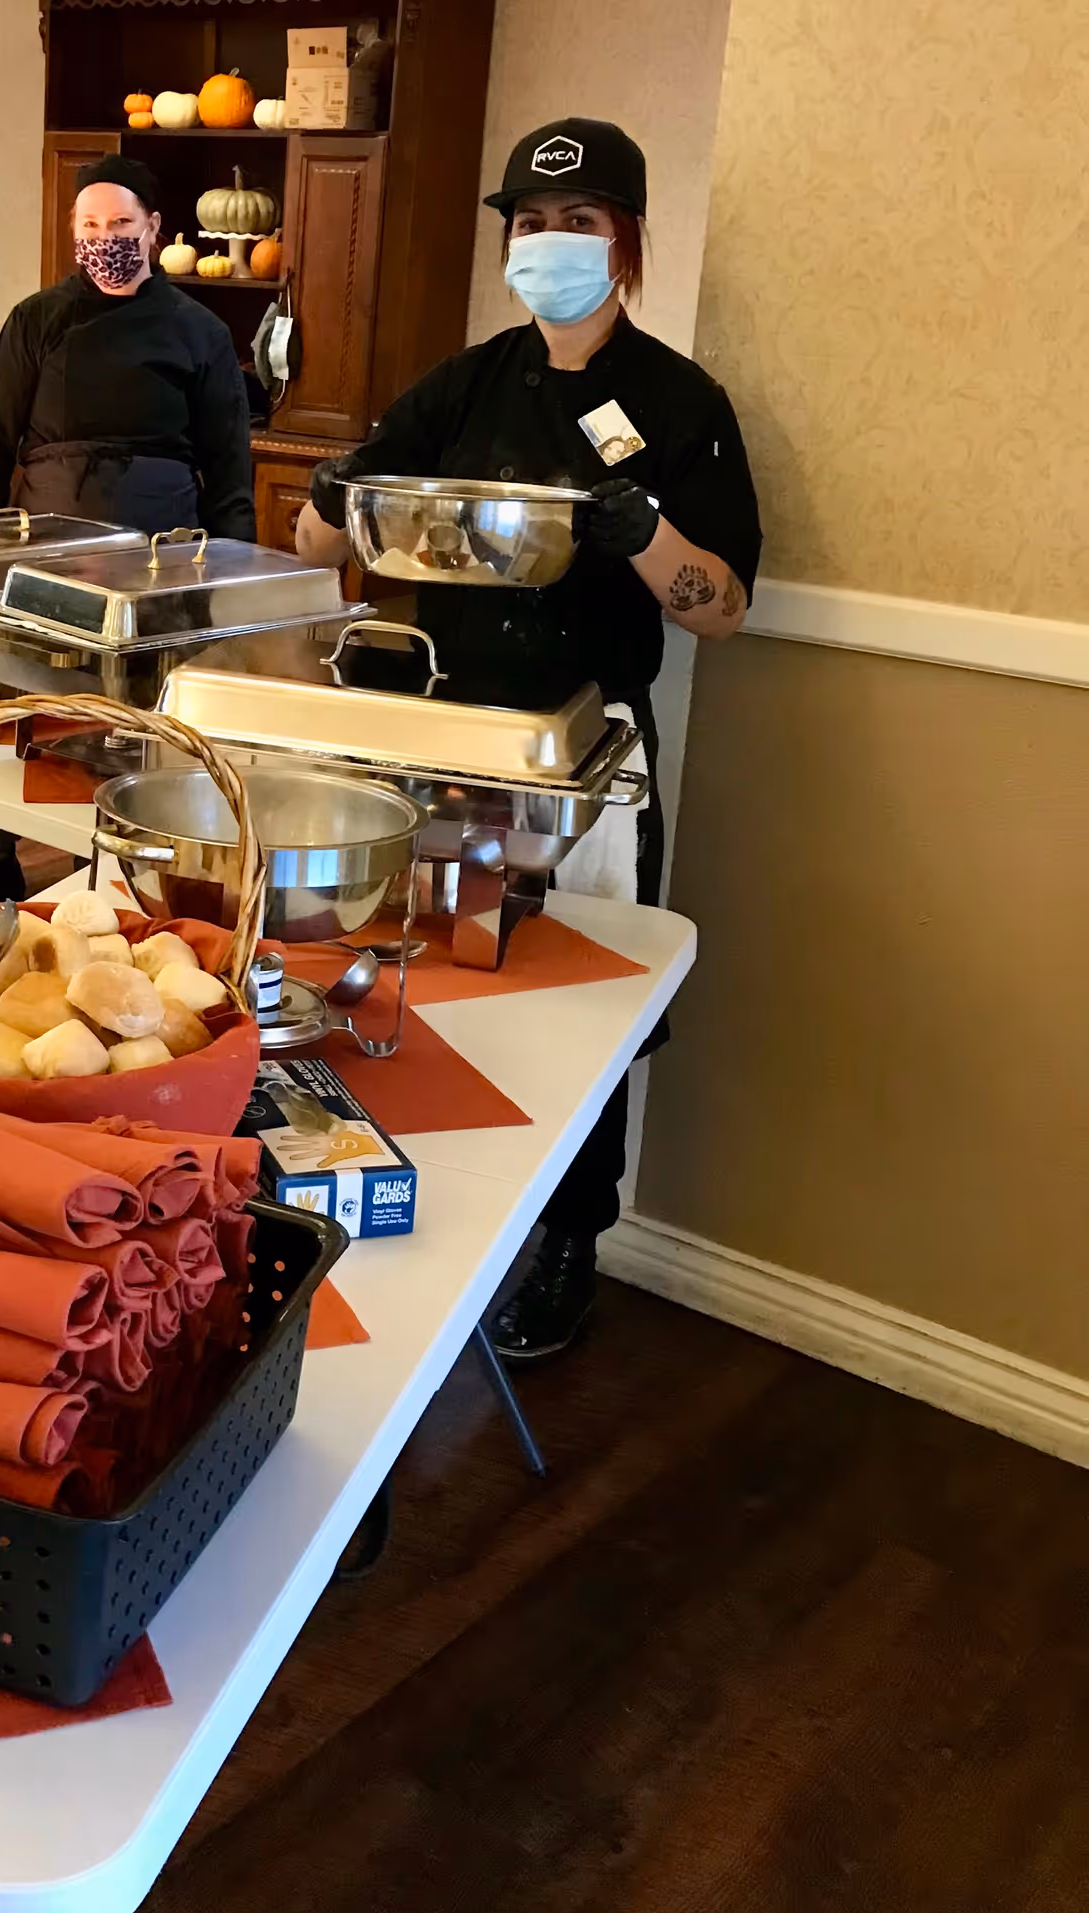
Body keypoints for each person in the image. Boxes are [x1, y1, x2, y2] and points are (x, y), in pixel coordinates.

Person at [296, 118, 761, 1362]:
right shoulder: (470, 383)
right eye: (532, 225)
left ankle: (569, 1239)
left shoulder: (680, 401)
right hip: (445, 729)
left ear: (629, 244)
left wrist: (642, 532)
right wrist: (335, 493)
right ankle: (446, 1207)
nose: (549, 244)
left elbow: (724, 605)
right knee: (433, 971)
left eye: (579, 223)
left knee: (585, 1007)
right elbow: (315, 544)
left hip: (585, 745)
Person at [0, 152, 257, 897]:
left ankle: (93, 867)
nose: (105, 236)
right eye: (89, 224)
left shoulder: (199, 332)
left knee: (125, 724)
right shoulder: (36, 319)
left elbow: (227, 464)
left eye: (121, 222)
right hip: (48, 548)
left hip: (159, 556)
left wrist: (235, 573)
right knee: (36, 706)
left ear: (154, 229)